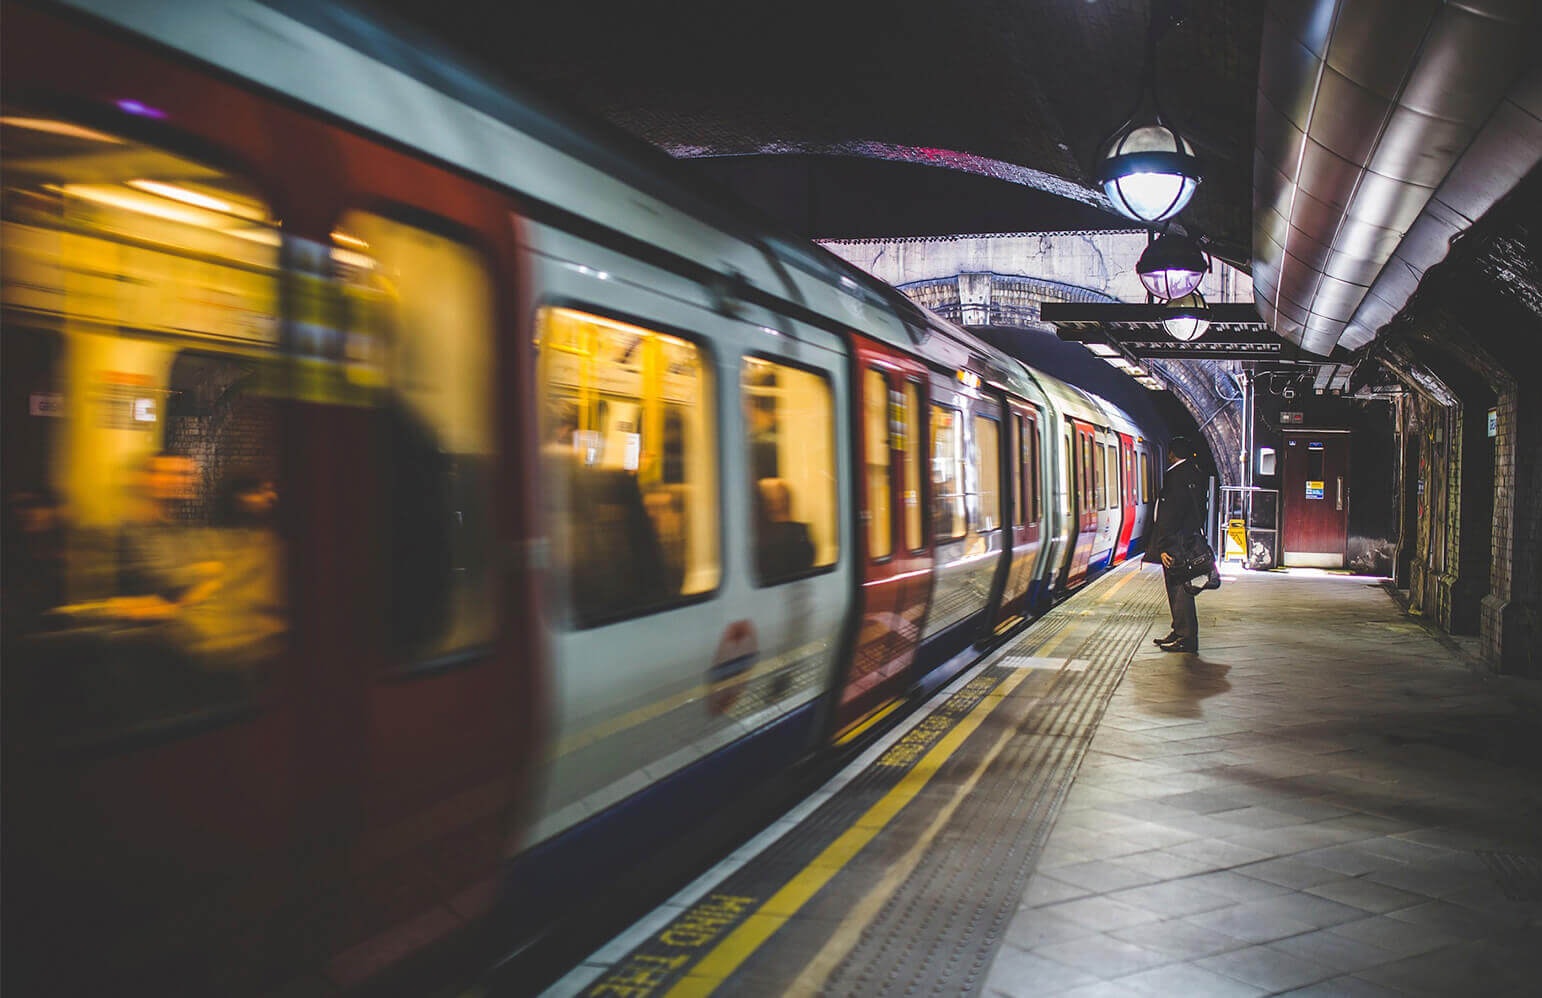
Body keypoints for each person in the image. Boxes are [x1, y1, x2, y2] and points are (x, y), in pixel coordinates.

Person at [1144, 434, 1208, 653]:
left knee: (1179, 590)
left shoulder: (1176, 476)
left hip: (1176, 545)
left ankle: (1185, 637)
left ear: (1171, 454)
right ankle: (1179, 630)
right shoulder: (1194, 472)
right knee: (1182, 589)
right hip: (1187, 540)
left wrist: (1163, 547)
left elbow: (1170, 515)